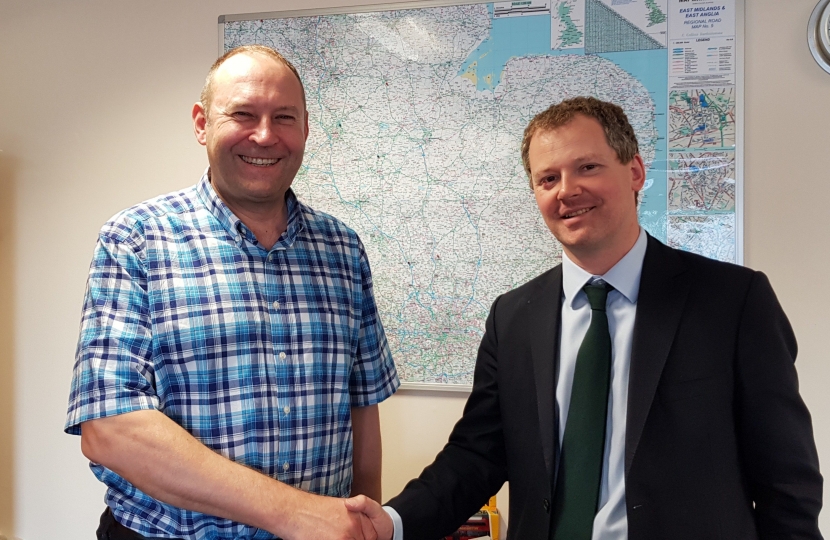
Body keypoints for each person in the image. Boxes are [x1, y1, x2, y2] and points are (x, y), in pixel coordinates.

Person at [348, 97, 823, 539]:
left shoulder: (733, 301)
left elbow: (788, 481)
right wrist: (393, 521)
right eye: (547, 178)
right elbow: (477, 455)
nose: (567, 191)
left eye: (587, 168)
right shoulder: (513, 317)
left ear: (634, 170)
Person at [65, 45, 399, 540]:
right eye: (243, 113)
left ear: (305, 128)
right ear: (202, 123)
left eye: (283, 117)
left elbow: (362, 405)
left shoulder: (343, 249)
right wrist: (295, 513)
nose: (265, 135)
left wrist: (362, 518)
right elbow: (109, 429)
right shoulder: (135, 239)